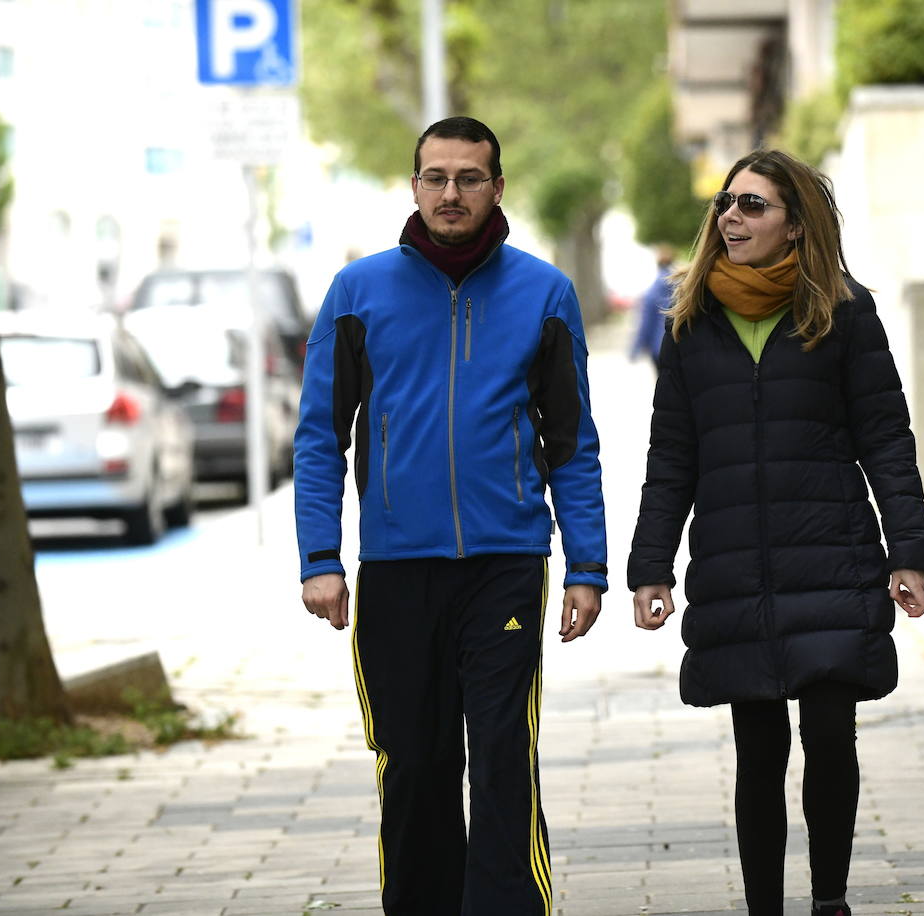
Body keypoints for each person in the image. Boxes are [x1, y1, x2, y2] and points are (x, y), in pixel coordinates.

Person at [294, 116, 608, 916]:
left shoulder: (544, 294)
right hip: (397, 570)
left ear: (497, 188)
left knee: (504, 755)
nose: (451, 192)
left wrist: (589, 566)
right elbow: (320, 436)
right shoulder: (356, 294)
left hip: (505, 564)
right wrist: (320, 557)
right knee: (418, 763)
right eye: (436, 177)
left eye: (470, 178)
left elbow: (572, 444)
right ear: (413, 186)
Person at [627, 149, 924, 916]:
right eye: (726, 204)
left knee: (831, 733)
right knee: (758, 750)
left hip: (831, 555)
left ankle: (828, 901)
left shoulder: (843, 311)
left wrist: (910, 554)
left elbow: (887, 439)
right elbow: (672, 455)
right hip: (735, 564)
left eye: (752, 205)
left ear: (795, 225)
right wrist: (651, 566)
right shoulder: (691, 321)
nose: (730, 217)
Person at [629, 244, 676, 369]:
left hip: (658, 348)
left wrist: (636, 348)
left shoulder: (652, 292)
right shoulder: (682, 287)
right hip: (680, 346)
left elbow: (646, 322)